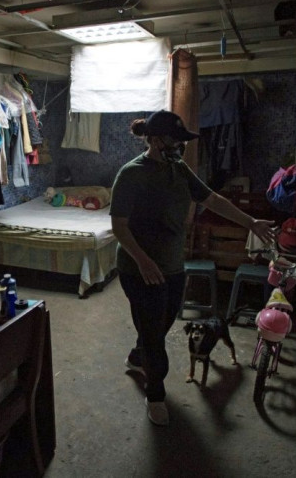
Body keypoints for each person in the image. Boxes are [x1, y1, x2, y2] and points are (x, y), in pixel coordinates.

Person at [110, 110, 276, 426]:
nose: (180, 147)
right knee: (155, 337)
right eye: (176, 141)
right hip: (139, 270)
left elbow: (212, 200)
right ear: (156, 140)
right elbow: (119, 226)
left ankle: (137, 356)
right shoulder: (131, 174)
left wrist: (251, 223)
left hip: (173, 267)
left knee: (162, 323)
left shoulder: (179, 169)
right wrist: (143, 260)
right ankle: (155, 394)